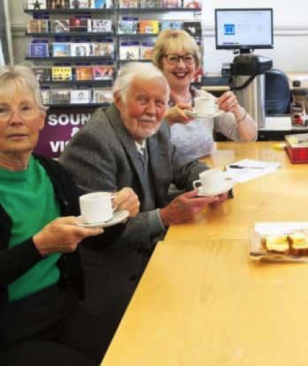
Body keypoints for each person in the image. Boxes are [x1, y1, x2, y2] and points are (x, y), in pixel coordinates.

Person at [59, 63, 229, 329]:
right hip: (116, 276)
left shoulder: (155, 127)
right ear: (118, 100)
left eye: (160, 102)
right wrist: (163, 217)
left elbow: (183, 166)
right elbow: (102, 232)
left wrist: (215, 182)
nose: (152, 110)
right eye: (142, 100)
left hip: (154, 252)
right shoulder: (94, 142)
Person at [0, 65, 139, 366]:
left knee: (139, 349)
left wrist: (120, 214)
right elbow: (40, 249)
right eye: (2, 110)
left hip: (65, 309)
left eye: (26, 108)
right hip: (12, 333)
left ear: (41, 119)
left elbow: (95, 238)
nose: (16, 120)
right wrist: (40, 246)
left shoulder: (52, 172)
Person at [152, 29, 257, 164]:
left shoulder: (205, 100)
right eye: (173, 58)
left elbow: (248, 137)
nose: (181, 65)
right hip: (166, 182)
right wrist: (166, 120)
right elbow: (138, 144)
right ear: (160, 63)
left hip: (203, 178)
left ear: (196, 64)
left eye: (188, 58)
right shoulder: (152, 102)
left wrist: (237, 109)